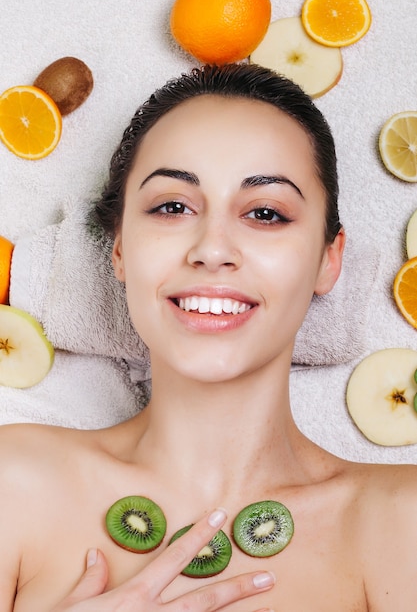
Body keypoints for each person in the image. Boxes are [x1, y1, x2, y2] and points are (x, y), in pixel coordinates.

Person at [1, 62, 417, 612]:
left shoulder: (400, 519)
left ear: (327, 258)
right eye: (172, 207)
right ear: (120, 248)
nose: (212, 248)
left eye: (265, 213)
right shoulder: (14, 483)